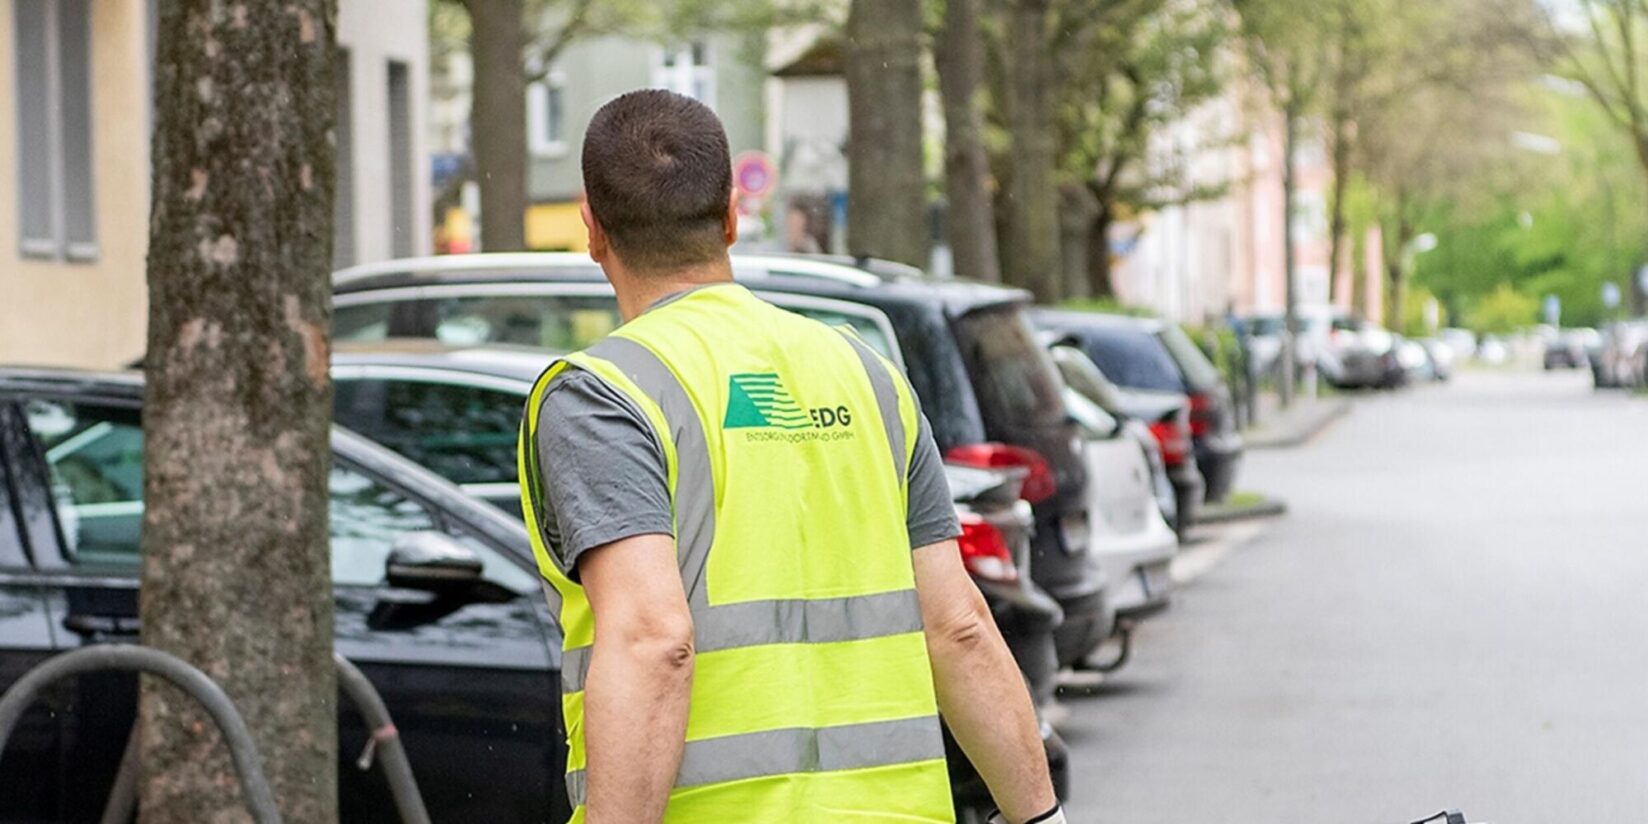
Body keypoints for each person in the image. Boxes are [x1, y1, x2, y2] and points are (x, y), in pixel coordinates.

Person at [518, 89, 1061, 824]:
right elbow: (958, 625)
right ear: (732, 218)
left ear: (591, 226)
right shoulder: (865, 374)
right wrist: (1040, 817)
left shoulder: (605, 397)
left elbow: (652, 641)